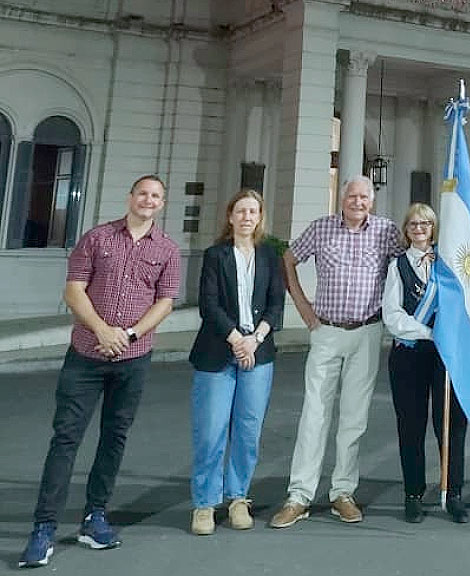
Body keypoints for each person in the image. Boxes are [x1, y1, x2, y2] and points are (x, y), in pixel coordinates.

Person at [19, 175, 181, 568]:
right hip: (86, 356)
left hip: (134, 357)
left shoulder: (168, 250)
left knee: (114, 438)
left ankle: (95, 518)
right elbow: (74, 289)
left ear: (162, 204)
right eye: (142, 192)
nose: (148, 200)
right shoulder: (97, 238)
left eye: (156, 196)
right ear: (130, 197)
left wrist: (127, 334)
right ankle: (43, 528)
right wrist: (102, 331)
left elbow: (165, 301)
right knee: (66, 439)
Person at [269, 176, 402, 528]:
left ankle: (343, 492)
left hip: (367, 332)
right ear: (342, 198)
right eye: (352, 195)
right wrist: (302, 307)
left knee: (354, 418)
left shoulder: (387, 232)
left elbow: (411, 265)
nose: (358, 201)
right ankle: (299, 495)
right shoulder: (321, 228)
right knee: (314, 414)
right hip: (326, 331)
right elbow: (288, 257)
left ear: (372, 200)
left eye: (364, 196)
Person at [187, 189, 285, 535]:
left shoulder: (271, 256)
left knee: (247, 431)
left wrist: (254, 340)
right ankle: (204, 503)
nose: (246, 217)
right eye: (240, 211)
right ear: (230, 216)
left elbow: (276, 304)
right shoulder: (215, 255)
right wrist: (237, 340)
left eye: (253, 211)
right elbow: (208, 305)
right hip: (218, 353)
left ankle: (238, 497)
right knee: (211, 430)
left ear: (260, 218)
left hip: (258, 354)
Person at [382, 203, 470, 524]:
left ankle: (453, 491)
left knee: (450, 424)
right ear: (406, 229)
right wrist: (430, 332)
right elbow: (392, 315)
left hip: (446, 355)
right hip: (409, 353)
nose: (419, 228)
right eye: (413, 224)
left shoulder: (448, 265)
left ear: (434, 228)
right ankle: (413, 494)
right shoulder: (397, 266)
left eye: (426, 223)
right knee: (411, 425)